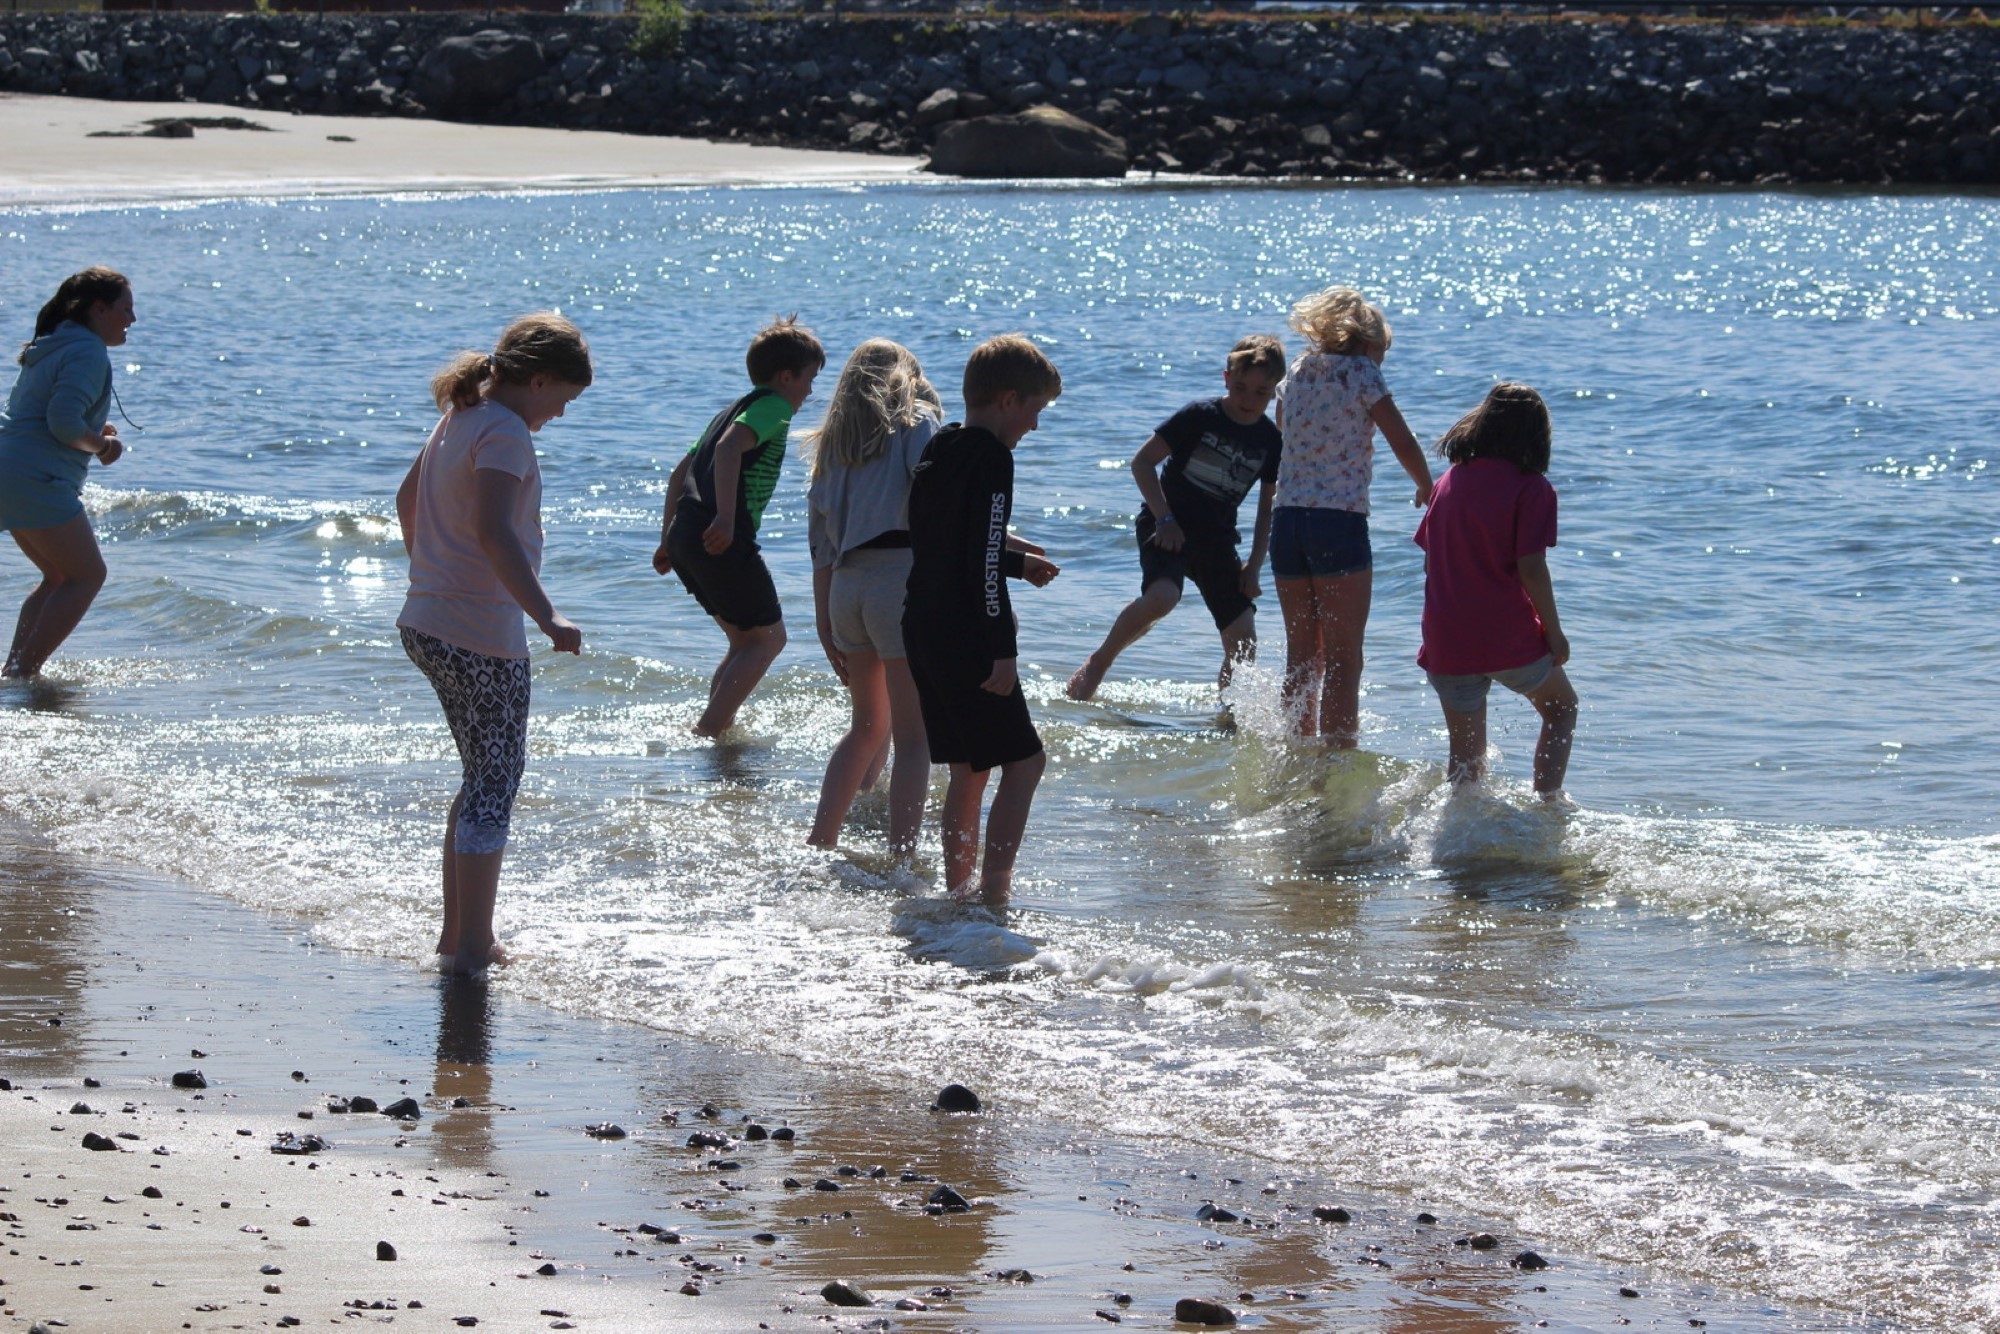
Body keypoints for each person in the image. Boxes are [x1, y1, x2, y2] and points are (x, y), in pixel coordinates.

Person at [396, 312, 592, 974]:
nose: (560, 414)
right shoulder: (506, 432)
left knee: (479, 776)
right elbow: (494, 531)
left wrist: (432, 577)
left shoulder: (460, 415)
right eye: (563, 399)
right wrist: (548, 616)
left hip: (426, 621)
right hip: (480, 632)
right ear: (538, 380)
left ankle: (459, 937)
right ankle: (472, 946)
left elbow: (406, 501)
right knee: (494, 782)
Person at [904, 335, 1062, 901]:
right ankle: (994, 894)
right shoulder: (994, 457)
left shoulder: (940, 446)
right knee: (1025, 763)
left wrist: (1020, 564)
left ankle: (959, 893)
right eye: (1034, 411)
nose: (1034, 427)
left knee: (969, 768)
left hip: (920, 621)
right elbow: (980, 561)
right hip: (968, 631)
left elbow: (949, 541)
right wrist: (1002, 647)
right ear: (1007, 400)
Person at [1066, 334, 1286, 702]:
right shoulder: (1199, 415)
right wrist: (1164, 518)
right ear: (1226, 378)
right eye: (1241, 387)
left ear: (1275, 391)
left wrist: (1254, 565)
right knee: (1162, 597)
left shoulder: (1270, 440)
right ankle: (1100, 661)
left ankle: (1227, 715)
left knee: (1244, 638)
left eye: (1261, 392)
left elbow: (1268, 506)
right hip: (1167, 525)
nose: (1249, 400)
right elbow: (1142, 463)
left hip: (1217, 540)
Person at [1271, 286, 1434, 745]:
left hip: (1288, 521)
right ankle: (1337, 757)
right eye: (1382, 351)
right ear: (1366, 343)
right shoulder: (1363, 372)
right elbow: (1400, 437)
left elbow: (1283, 422)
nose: (1382, 360)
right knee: (1344, 658)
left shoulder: (1299, 368)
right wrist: (1427, 484)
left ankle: (1295, 749)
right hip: (1337, 522)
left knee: (1303, 655)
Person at [652, 316, 825, 737]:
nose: (810, 390)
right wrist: (726, 519)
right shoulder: (775, 407)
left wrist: (666, 539)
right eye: (808, 379)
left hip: (686, 532)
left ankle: (717, 729)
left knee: (744, 642)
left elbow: (680, 472)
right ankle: (709, 733)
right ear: (786, 377)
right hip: (719, 535)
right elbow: (731, 449)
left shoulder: (730, 410)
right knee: (769, 640)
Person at [804, 339, 944, 855]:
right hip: (897, 579)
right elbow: (937, 498)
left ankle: (821, 843)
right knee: (914, 739)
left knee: (865, 728)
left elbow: (819, 548)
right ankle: (902, 857)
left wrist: (824, 625)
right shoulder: (917, 420)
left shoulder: (831, 447)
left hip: (846, 586)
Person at [1415, 383, 1578, 798]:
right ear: (1537, 434)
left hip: (1446, 636)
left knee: (1466, 763)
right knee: (1561, 710)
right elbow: (1531, 566)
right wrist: (1553, 632)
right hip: (1505, 634)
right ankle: (1547, 807)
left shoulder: (1449, 481)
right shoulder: (1532, 488)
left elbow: (1431, 560)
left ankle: (1460, 842)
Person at [0, 267, 134, 679]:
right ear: (99, 308)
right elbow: (62, 424)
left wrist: (91, 431)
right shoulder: (88, 351)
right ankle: (23, 674)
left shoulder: (55, 343)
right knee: (88, 576)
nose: (132, 320)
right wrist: (104, 445)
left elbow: (48, 416)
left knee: (58, 576)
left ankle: (13, 674)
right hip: (35, 477)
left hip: (12, 469)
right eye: (126, 309)